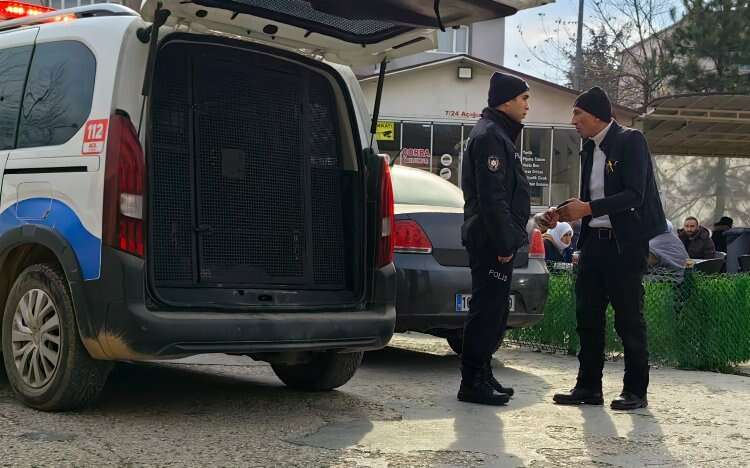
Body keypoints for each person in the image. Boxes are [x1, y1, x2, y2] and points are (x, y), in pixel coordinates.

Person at [539, 86, 666, 411]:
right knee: (587, 316)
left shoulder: (630, 140)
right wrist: (563, 212)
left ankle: (635, 390)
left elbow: (635, 194)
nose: (573, 121)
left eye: (578, 114)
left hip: (625, 245)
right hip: (593, 243)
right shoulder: (588, 148)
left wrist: (589, 208)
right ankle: (588, 386)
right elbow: (589, 201)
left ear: (596, 115)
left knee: (628, 319)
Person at [459, 72, 531, 406]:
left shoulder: (499, 134)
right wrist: (504, 243)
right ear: (506, 101)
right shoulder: (490, 135)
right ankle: (472, 381)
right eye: (523, 98)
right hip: (490, 240)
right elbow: (493, 197)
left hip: (497, 239)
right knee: (486, 311)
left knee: (496, 311)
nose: (527, 105)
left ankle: (483, 373)